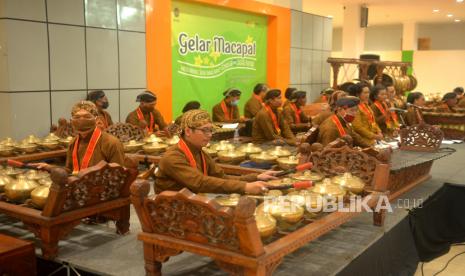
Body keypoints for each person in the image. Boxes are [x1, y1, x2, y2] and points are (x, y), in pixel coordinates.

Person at [155, 109, 278, 194]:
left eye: (210, 131)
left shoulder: (200, 152)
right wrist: (245, 187)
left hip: (189, 203)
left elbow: (222, 178)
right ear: (188, 131)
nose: (209, 135)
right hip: (172, 211)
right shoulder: (173, 157)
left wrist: (255, 177)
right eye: (204, 130)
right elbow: (200, 182)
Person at [33, 101, 125, 173]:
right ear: (71, 120)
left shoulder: (112, 143)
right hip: (79, 187)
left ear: (96, 119)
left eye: (87, 116)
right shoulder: (73, 143)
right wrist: (48, 167)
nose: (81, 120)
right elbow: (70, 171)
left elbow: (118, 174)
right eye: (77, 117)